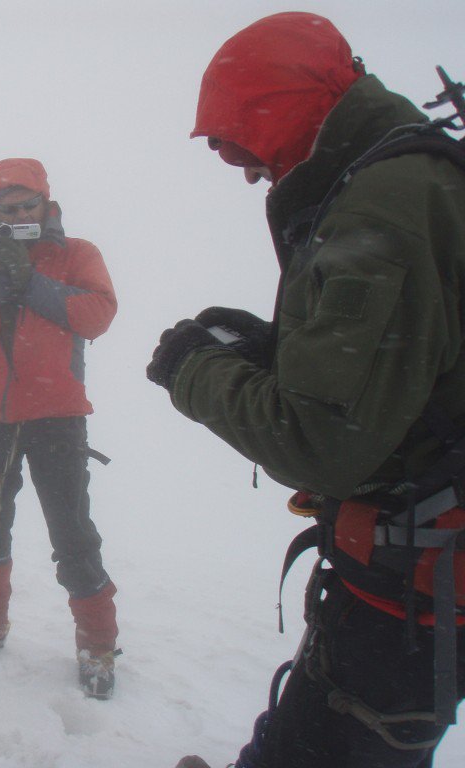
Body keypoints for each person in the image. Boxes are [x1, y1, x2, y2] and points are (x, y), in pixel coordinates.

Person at [145, 13, 465, 768]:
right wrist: (273, 348)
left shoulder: (385, 203)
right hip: (407, 566)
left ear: (278, 109)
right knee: (310, 734)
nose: (253, 173)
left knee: (329, 745)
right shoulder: (409, 177)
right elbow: (407, 362)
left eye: (247, 149)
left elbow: (321, 443)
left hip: (410, 593)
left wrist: (196, 368)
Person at [0, 158, 120, 698]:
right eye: (6, 208)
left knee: (73, 535)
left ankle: (98, 646)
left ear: (46, 203)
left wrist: (30, 280)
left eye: (27, 205)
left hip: (57, 418)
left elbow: (98, 315)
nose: (18, 215)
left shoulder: (76, 253)